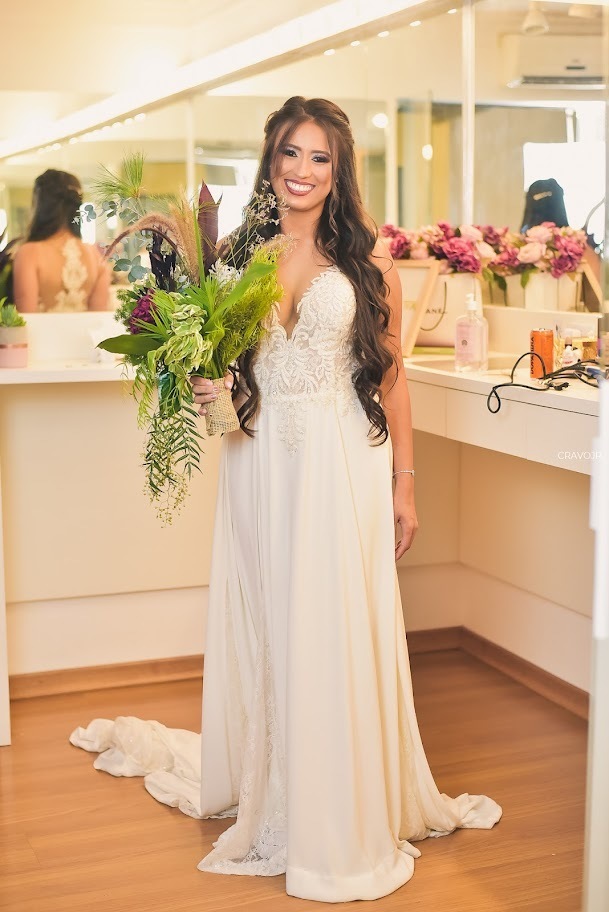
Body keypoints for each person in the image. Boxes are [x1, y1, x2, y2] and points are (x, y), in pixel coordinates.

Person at [70, 97, 502, 902]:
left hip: (341, 459)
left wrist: (406, 484)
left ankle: (339, 810)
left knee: (332, 624)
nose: (301, 171)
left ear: (338, 171)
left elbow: (390, 379)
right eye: (289, 154)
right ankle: (279, 790)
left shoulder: (365, 262)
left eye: (318, 158)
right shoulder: (233, 259)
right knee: (273, 620)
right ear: (270, 161)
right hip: (259, 460)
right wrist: (209, 386)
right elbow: (228, 377)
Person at [12, 169, 110, 312]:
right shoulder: (96, 257)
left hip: (41, 328)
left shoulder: (29, 253)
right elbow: (98, 318)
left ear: (40, 205)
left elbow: (26, 317)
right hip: (85, 329)